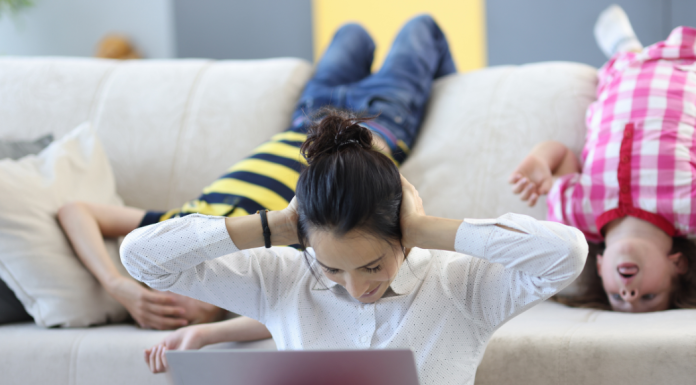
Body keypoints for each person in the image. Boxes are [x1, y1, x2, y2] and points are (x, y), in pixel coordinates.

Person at [58, 14, 454, 332]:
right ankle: (449, 93)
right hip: (381, 124)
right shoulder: (300, 251)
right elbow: (295, 308)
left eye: (164, 297)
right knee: (422, 28)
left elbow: (76, 211)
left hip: (309, 119)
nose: (171, 303)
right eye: (173, 315)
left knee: (351, 33)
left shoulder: (186, 228)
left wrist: (121, 287)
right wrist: (203, 328)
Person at [509, 5, 696, 312]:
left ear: (599, 266)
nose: (630, 294)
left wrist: (540, 160)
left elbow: (564, 156)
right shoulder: (687, 211)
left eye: (616, 297)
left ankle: (625, 47)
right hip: (685, 75)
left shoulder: (577, 217)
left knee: (623, 63)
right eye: (649, 297)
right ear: (678, 264)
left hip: (621, 81)